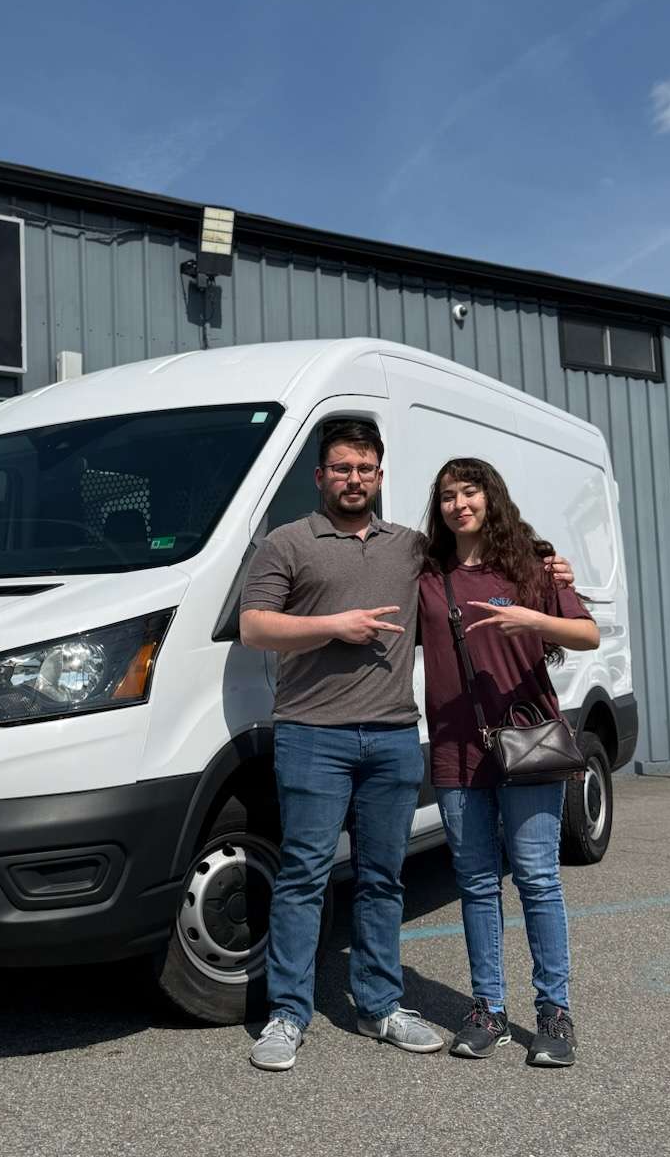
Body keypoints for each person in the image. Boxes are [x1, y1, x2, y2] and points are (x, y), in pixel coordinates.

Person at [239, 420, 573, 1072]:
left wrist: (550, 561)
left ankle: (381, 1005)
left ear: (381, 476)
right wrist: (334, 625)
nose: (354, 479)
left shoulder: (412, 550)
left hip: (394, 735)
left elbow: (491, 562)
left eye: (365, 468)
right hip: (313, 734)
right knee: (306, 872)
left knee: (382, 879)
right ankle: (287, 1015)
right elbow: (254, 626)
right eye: (341, 468)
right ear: (320, 476)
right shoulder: (287, 543)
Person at [418, 458, 598, 1067]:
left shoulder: (531, 562)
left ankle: (554, 1012)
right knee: (473, 882)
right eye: (448, 495)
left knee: (537, 878)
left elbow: (586, 634)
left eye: (469, 491)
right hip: (455, 746)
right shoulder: (428, 573)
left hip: (527, 742)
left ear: (491, 496)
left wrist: (534, 618)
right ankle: (487, 1010)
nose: (459, 503)